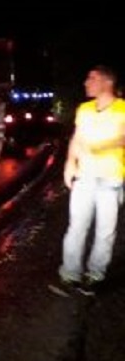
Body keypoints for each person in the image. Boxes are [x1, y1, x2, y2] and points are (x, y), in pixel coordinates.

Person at [59, 65, 125, 291]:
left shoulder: (122, 108)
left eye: (92, 78)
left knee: (105, 231)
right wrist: (70, 163)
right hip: (85, 176)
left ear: (107, 82)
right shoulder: (84, 109)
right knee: (76, 226)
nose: (86, 82)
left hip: (111, 178)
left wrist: (103, 145)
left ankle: (95, 275)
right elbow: (76, 138)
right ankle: (70, 274)